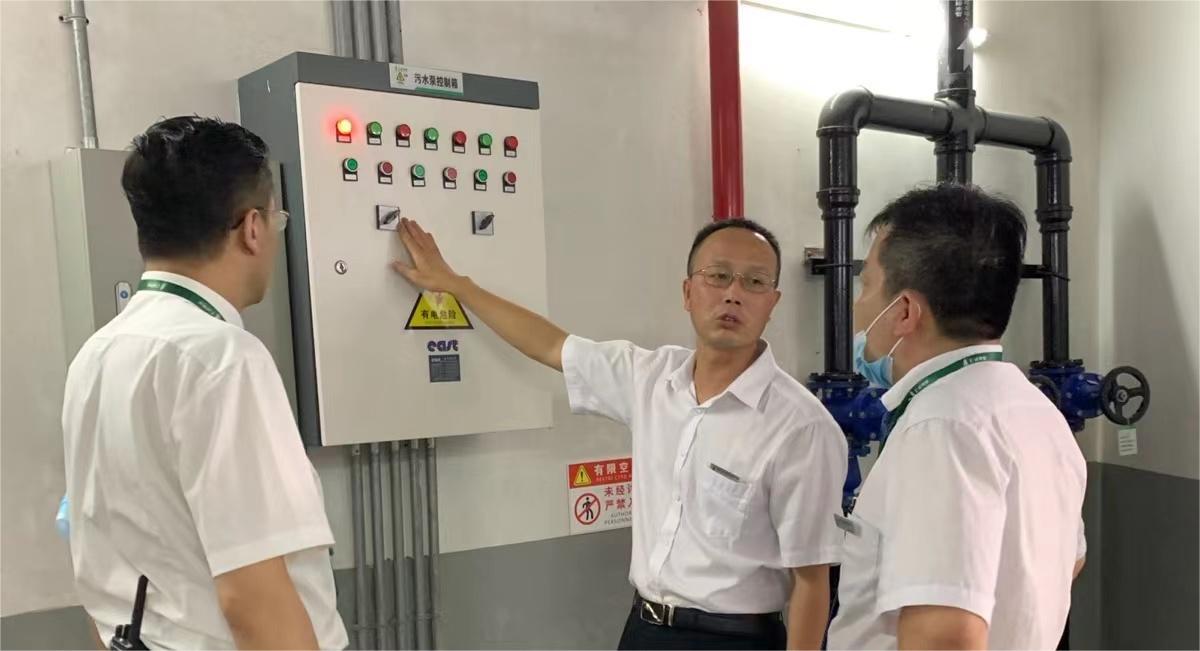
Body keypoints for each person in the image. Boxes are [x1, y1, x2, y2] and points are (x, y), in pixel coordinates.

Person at [392, 216, 847, 650]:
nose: (733, 295)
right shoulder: (650, 378)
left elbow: (811, 578)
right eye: (718, 276)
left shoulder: (801, 427)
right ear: (688, 292)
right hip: (644, 630)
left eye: (755, 282)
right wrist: (457, 286)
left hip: (736, 639)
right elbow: (550, 345)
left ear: (773, 303)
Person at [61, 116, 347, 650]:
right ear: (253, 228)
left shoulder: (96, 356)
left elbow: (100, 573)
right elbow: (253, 599)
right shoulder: (222, 359)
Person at [827, 184, 1087, 650]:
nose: (857, 307)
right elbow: (1070, 561)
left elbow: (945, 637)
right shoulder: (1034, 410)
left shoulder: (941, 426)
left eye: (866, 285)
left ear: (904, 311)